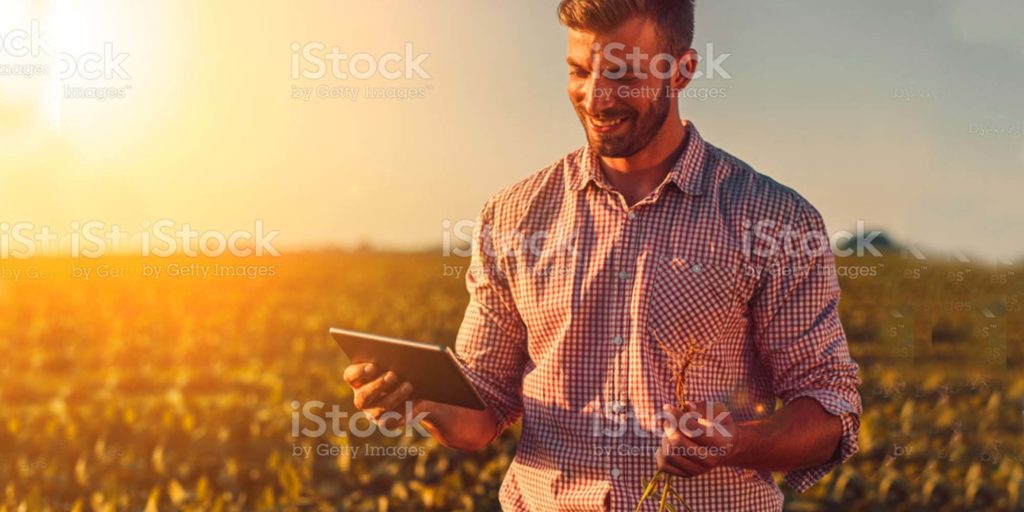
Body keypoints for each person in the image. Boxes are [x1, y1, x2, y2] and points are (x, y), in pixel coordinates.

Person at [344, 1, 861, 509]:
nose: (595, 98)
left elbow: (829, 409)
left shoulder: (776, 219)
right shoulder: (511, 215)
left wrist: (741, 442)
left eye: (622, 75)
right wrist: (427, 403)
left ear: (682, 71)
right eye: (580, 72)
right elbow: (482, 414)